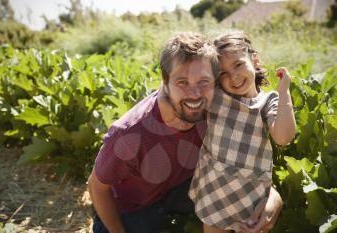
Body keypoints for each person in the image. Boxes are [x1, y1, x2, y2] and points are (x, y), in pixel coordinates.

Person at [87, 31, 284, 233]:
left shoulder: (216, 109)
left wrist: (271, 195)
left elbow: (241, 162)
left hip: (183, 188)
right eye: (182, 82)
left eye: (204, 82)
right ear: (165, 82)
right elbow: (96, 187)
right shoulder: (128, 134)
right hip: (131, 208)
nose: (195, 94)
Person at [189, 31, 296, 233]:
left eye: (238, 65)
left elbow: (284, 137)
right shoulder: (217, 96)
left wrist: (284, 93)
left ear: (254, 60)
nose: (234, 77)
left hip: (251, 194)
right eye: (223, 73)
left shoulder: (267, 102)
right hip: (214, 189)